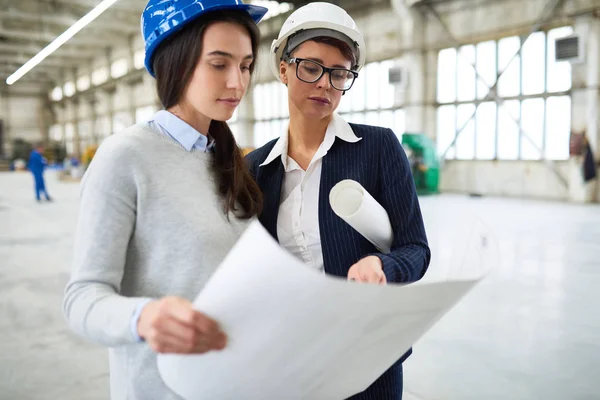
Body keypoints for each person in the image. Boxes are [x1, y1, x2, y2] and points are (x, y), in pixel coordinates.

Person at [62, 1, 267, 399]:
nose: (237, 83)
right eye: (219, 64)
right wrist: (144, 317)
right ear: (177, 61)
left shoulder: (227, 159)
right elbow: (82, 298)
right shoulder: (125, 156)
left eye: (245, 65)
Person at [245, 3, 431, 399]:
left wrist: (383, 265)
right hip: (289, 357)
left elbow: (416, 249)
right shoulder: (256, 170)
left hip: (368, 358)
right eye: (311, 67)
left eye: (339, 73)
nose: (325, 84)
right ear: (283, 69)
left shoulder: (379, 148)